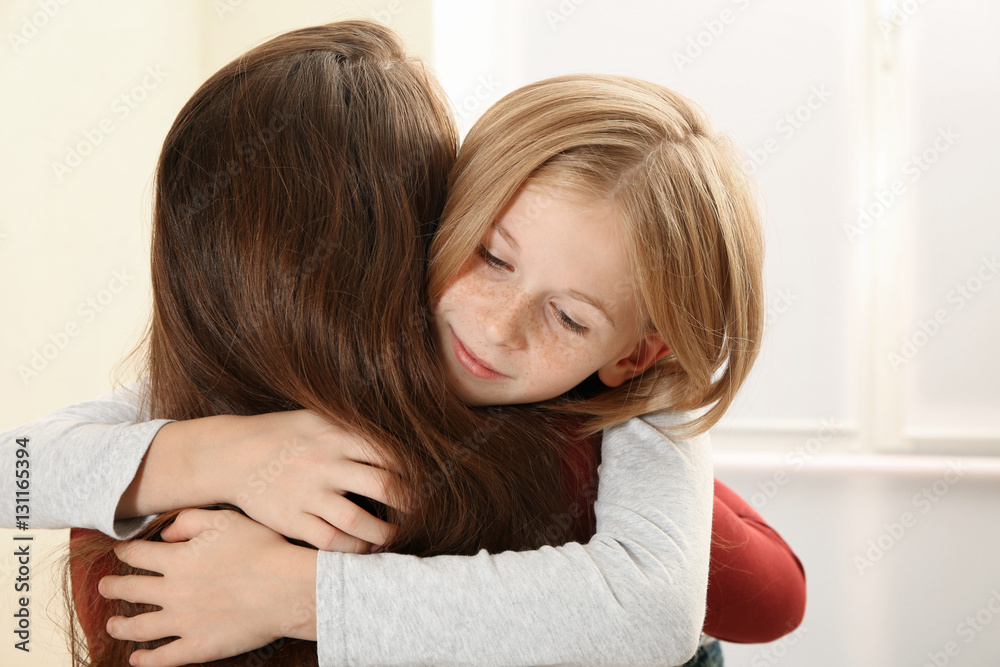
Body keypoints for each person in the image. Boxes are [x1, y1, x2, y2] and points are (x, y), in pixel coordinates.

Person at [0, 21, 801, 667]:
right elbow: (15, 469)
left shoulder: (606, 422)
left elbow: (743, 596)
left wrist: (295, 592)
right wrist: (228, 454)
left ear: (636, 353)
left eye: (570, 318)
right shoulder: (306, 376)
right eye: (489, 255)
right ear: (444, 213)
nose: (496, 324)